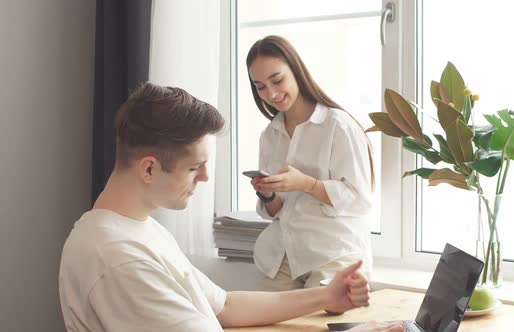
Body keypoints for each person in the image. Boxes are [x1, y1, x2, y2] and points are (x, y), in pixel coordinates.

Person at [58, 83, 404, 332]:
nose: (206, 178)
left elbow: (223, 306)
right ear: (149, 168)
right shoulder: (118, 259)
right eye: (195, 167)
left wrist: (325, 295)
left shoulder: (137, 229)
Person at [246, 35, 375, 291]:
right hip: (285, 254)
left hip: (335, 254)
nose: (270, 93)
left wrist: (307, 184)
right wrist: (268, 195)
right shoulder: (270, 135)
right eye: (260, 86)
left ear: (296, 70)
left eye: (277, 80)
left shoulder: (338, 126)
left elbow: (360, 200)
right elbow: (278, 211)